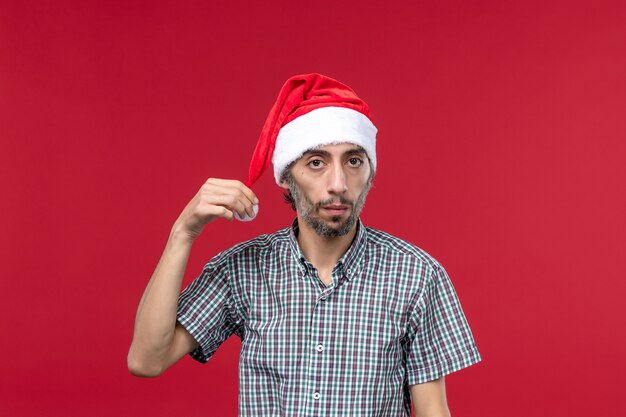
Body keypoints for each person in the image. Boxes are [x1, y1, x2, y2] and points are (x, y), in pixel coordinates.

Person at [127, 73, 481, 417]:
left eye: (353, 161)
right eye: (316, 163)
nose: (338, 183)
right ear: (287, 178)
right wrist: (182, 234)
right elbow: (146, 361)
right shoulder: (243, 271)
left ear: (370, 173)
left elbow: (434, 410)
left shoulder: (417, 276)